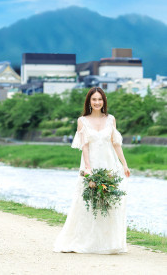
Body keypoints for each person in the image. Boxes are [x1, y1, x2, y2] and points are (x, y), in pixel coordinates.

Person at [53, 87, 130, 254]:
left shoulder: (111, 119)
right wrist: (88, 168)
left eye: (100, 99)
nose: (97, 102)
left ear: (104, 101)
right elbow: (85, 146)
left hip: (110, 163)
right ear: (89, 101)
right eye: (94, 100)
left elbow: (116, 143)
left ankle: (110, 243)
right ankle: (87, 241)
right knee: (87, 202)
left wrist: (124, 164)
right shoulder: (83, 120)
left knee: (110, 202)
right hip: (91, 164)